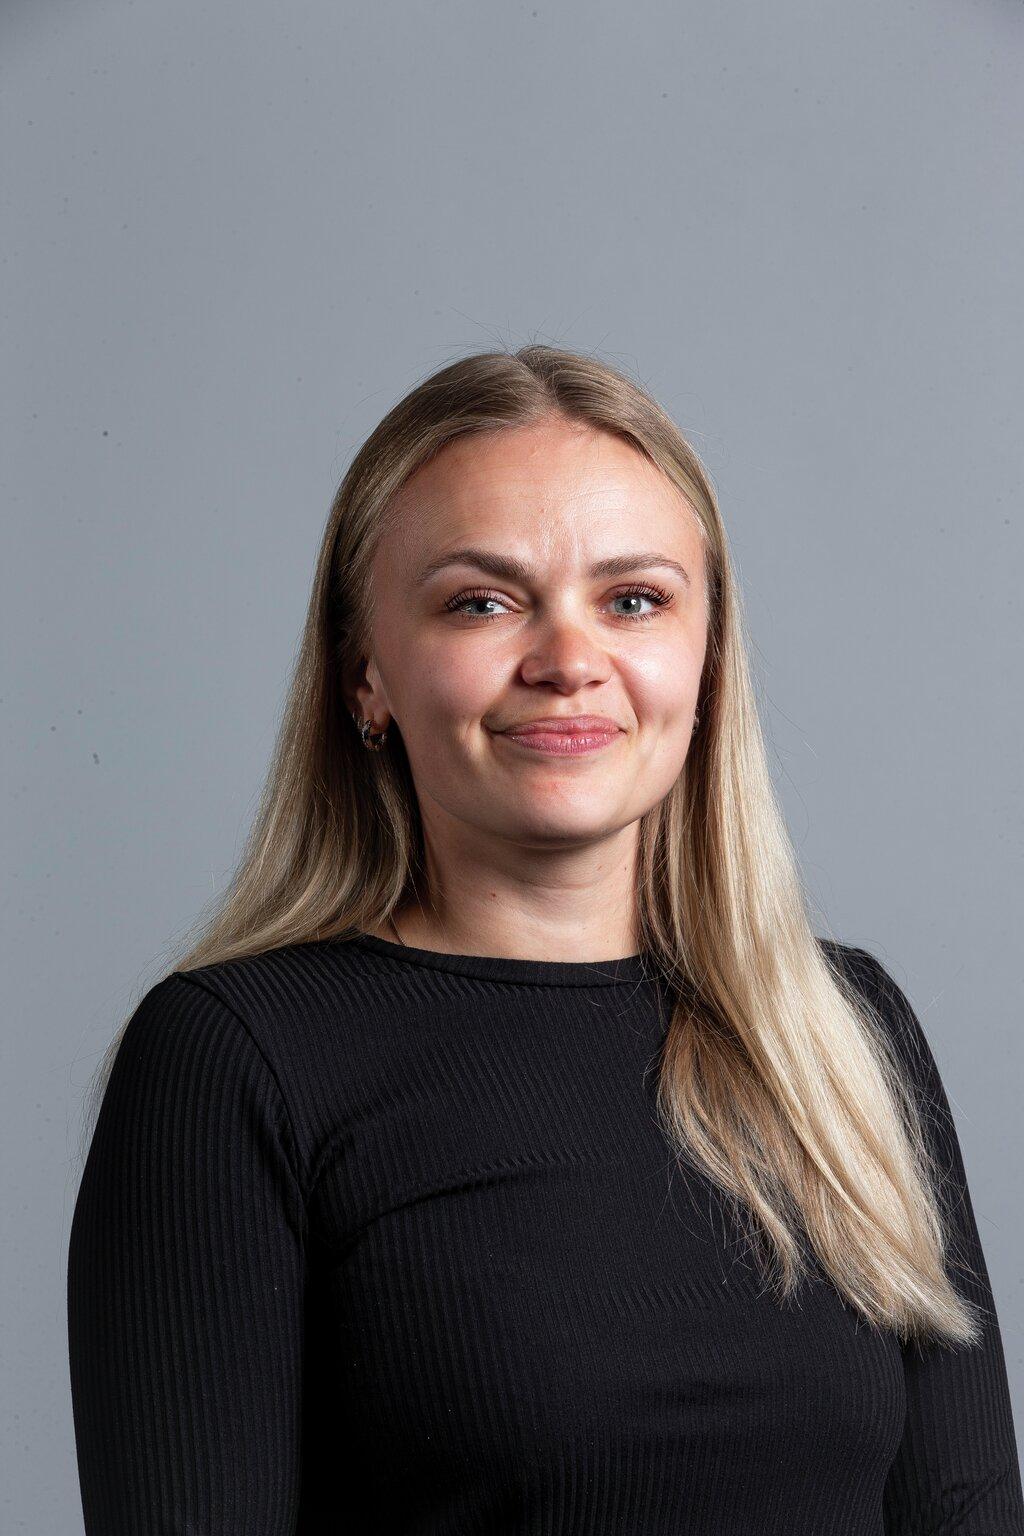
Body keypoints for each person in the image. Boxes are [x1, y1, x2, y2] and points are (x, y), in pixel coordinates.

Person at [67, 345, 1024, 1533]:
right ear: (367, 675)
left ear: (707, 656)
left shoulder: (840, 1028)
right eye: (482, 600)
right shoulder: (234, 1060)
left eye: (634, 601)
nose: (570, 661)